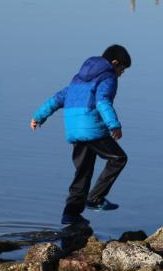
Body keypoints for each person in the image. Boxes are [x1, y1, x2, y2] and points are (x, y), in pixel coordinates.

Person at [32, 45, 131, 227]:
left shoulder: (78, 79)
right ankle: (95, 198)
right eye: (122, 69)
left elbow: (57, 98)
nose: (121, 74)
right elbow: (103, 101)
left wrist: (38, 116)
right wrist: (114, 125)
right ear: (114, 63)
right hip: (91, 128)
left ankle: (70, 215)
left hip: (73, 130)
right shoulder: (108, 76)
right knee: (118, 158)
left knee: (83, 173)